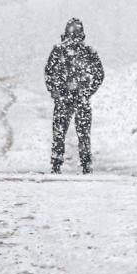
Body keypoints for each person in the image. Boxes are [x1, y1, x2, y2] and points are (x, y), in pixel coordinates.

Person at [44, 18, 104, 174]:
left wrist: (56, 91)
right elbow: (99, 74)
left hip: (70, 98)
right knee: (79, 134)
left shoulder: (63, 50)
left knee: (62, 133)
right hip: (73, 98)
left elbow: (48, 73)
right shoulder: (84, 51)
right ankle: (82, 164)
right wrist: (86, 91)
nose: (74, 37)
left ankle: (59, 164)